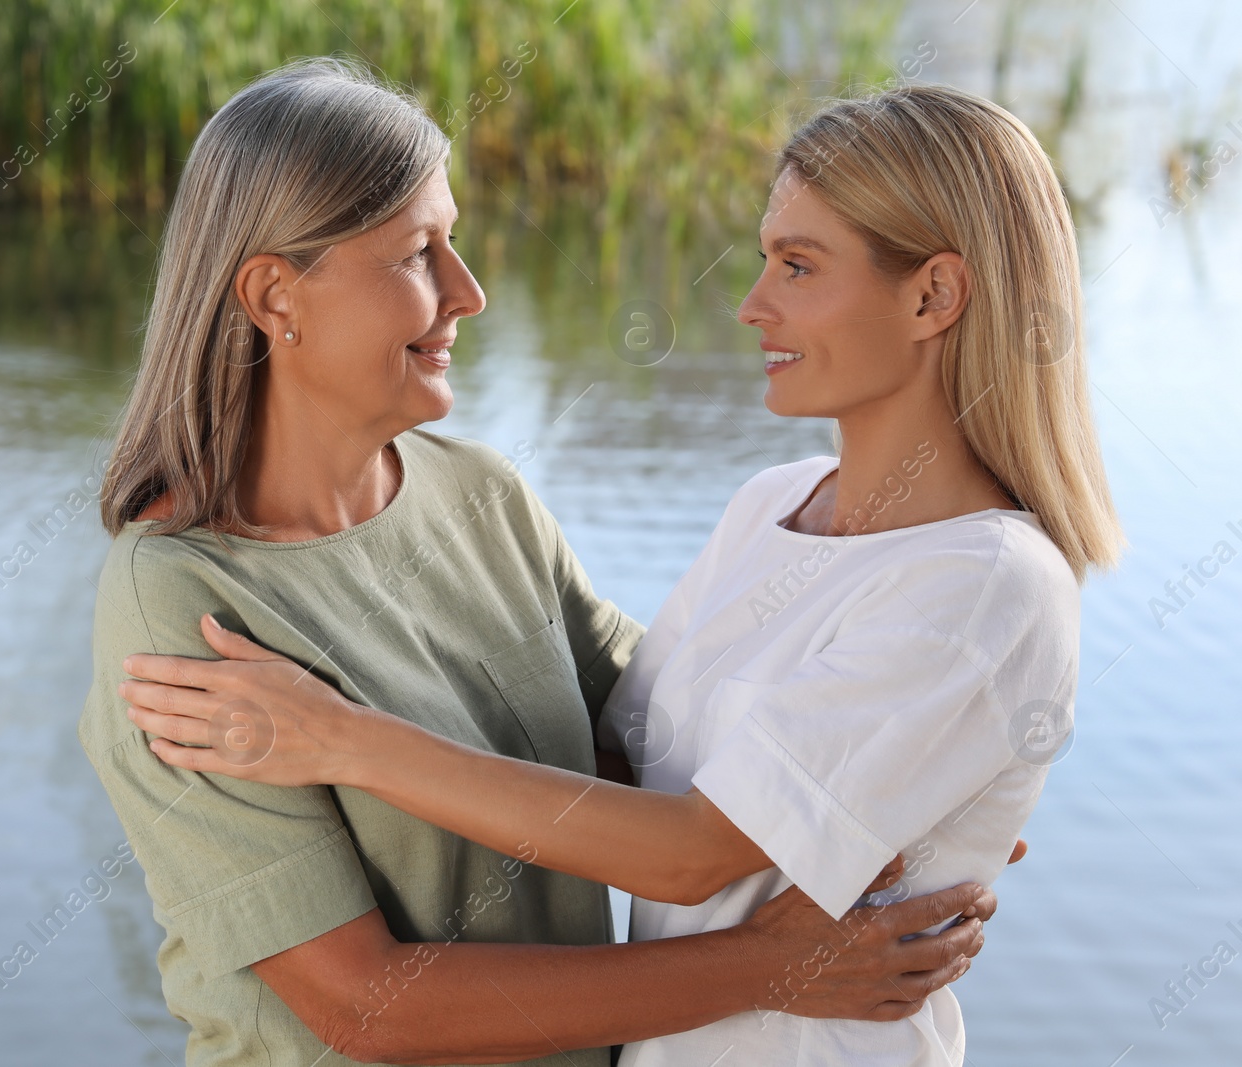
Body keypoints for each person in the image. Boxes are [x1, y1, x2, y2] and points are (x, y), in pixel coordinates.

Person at [122, 83, 1117, 1065]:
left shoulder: (482, 499)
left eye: (797, 265)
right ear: (271, 295)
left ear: (934, 295)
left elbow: (673, 807)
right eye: (421, 252)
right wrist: (843, 817)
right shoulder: (183, 597)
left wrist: (908, 790)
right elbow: (375, 1000)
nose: (470, 290)